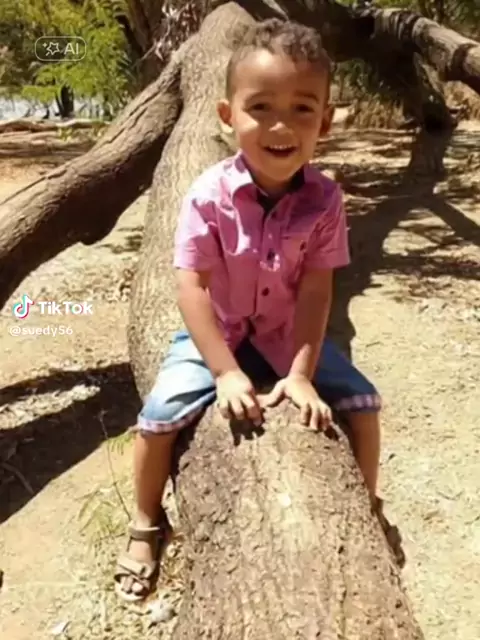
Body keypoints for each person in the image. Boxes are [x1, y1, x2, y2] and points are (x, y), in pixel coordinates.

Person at [114, 18, 384, 602]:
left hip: (285, 331)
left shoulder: (326, 199)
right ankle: (146, 522)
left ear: (325, 122)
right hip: (219, 330)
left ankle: (365, 507)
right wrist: (224, 372)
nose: (280, 125)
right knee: (158, 418)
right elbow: (191, 287)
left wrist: (301, 374)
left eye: (302, 109)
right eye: (260, 107)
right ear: (227, 115)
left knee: (364, 404)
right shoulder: (207, 196)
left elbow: (316, 290)